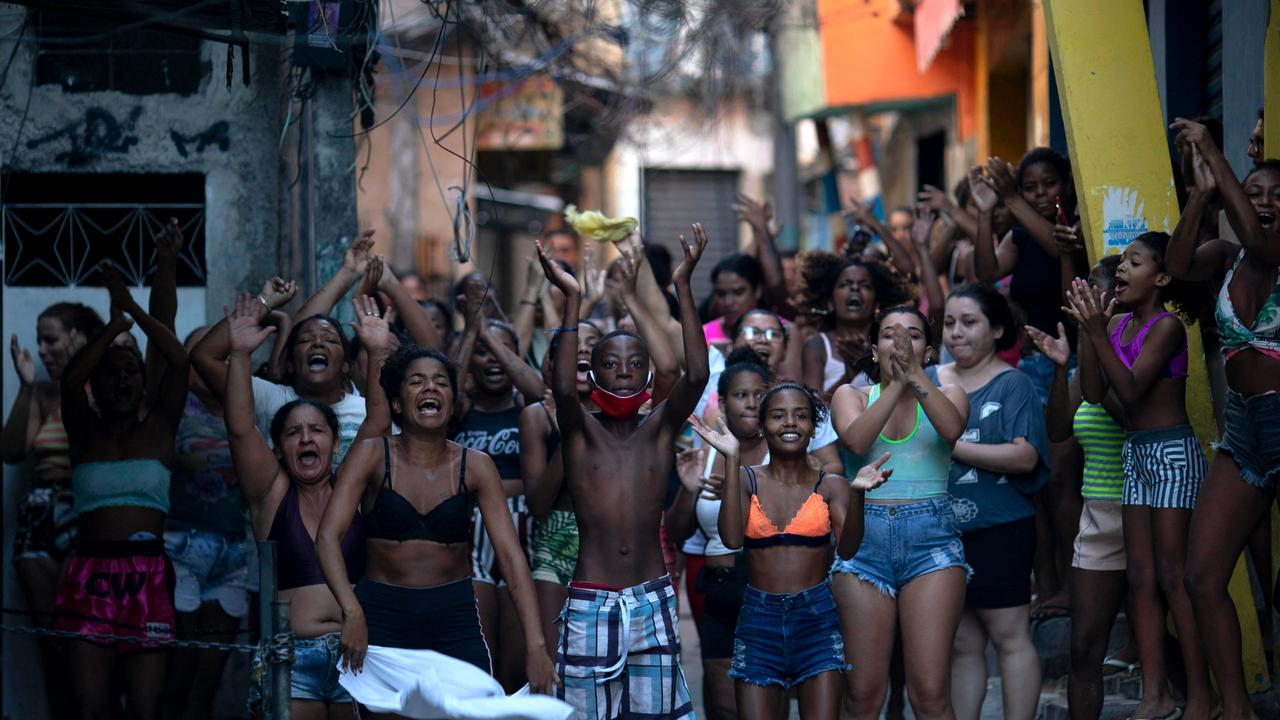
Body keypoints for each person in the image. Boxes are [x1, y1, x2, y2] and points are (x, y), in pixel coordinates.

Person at [314, 331, 556, 695]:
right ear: (397, 403)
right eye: (417, 382)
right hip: (381, 619)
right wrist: (351, 612)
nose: (430, 388)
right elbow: (327, 537)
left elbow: (510, 555)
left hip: (455, 620)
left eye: (441, 382)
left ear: (454, 402)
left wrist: (536, 644)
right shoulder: (371, 455)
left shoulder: (477, 466)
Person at [536, 223, 710, 720]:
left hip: (653, 597)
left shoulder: (658, 429)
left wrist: (684, 286)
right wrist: (571, 298)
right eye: (612, 364)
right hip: (591, 599)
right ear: (594, 374)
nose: (626, 372)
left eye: (636, 364)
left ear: (649, 374)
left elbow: (696, 374)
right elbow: (564, 390)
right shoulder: (579, 431)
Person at [1066, 229, 1211, 720]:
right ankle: (1155, 696)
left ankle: (1202, 697)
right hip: (1136, 455)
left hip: (1171, 453)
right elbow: (1091, 391)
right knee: (1142, 577)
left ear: (1163, 277)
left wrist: (1097, 332)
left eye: (1134, 261)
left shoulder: (1167, 327)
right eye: (1121, 262)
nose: (1121, 269)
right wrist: (1093, 332)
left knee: (1174, 577)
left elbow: (1128, 391)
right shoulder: (1117, 324)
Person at [691, 383, 890, 720]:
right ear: (762, 425)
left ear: (814, 427)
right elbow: (731, 538)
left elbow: (849, 548)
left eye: (801, 416)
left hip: (817, 619)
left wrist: (857, 495)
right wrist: (732, 456)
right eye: (778, 416)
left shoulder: (832, 485)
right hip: (758, 619)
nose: (790, 423)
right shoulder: (744, 478)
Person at [1170, 118, 1280, 720]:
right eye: (1253, 192)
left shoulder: (1272, 253)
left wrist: (1214, 148)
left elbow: (1268, 246)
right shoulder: (1230, 256)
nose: (1261, 203)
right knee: (1201, 575)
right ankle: (1234, 708)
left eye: (1274, 194)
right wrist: (1201, 194)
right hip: (1242, 433)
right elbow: (1180, 265)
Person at [223, 295, 378, 719]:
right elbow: (239, 430)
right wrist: (238, 353)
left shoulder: (355, 491)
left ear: (335, 442)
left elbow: (378, 422)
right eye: (293, 433)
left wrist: (377, 352)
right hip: (292, 658)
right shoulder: (270, 493)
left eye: (317, 431)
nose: (306, 440)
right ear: (278, 448)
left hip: (359, 654)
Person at [53, 267, 188, 720]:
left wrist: (131, 310)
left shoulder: (160, 429)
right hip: (87, 572)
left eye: (131, 371)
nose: (123, 380)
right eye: (111, 374)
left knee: (145, 711)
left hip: (147, 574)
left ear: (143, 382)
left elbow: (179, 360)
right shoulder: (83, 432)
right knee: (90, 710)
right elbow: (71, 381)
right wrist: (114, 329)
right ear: (98, 385)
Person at [830, 305, 970, 720]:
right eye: (890, 335)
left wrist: (915, 377)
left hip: (932, 544)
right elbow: (856, 441)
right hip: (863, 543)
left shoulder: (953, 391)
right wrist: (896, 380)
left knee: (929, 694)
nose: (902, 343)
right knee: (862, 696)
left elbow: (951, 430)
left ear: (929, 351)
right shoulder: (849, 395)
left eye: (912, 335)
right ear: (874, 350)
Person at [1027, 256, 1135, 720]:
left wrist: (1096, 340)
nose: (1079, 293)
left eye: (1092, 286)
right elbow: (1057, 432)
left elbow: (1135, 415)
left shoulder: (1139, 345)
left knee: (1161, 634)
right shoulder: (1084, 358)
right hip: (1099, 518)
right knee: (1083, 647)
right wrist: (1060, 367)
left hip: (1147, 509)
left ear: (1116, 296)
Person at [935, 284, 1049, 720]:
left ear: (997, 329)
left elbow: (1025, 456)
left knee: (1010, 637)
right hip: (943, 533)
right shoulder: (930, 381)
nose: (956, 333)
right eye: (948, 323)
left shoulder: (1013, 382)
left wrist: (955, 445)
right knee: (963, 644)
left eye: (969, 322)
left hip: (1002, 528)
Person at [3, 301, 103, 719]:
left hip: (88, 512)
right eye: (39, 341)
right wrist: (26, 386)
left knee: (84, 636)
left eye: (51, 339)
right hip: (41, 516)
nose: (41, 350)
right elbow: (12, 451)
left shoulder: (107, 389)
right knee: (51, 637)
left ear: (78, 337)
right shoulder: (43, 394)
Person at [668, 352, 771, 720]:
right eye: (741, 395)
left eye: (760, 394)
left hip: (765, 591)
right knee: (725, 706)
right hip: (717, 589)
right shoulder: (705, 454)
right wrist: (687, 489)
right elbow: (679, 535)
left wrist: (738, 489)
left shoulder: (784, 453)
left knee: (763, 706)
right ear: (723, 402)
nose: (752, 403)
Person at [162, 326, 256, 720]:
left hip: (234, 555)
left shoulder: (248, 408)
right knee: (176, 673)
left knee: (207, 680)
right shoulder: (171, 407)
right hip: (180, 549)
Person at [521, 321, 602, 653]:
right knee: (554, 663)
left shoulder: (621, 418)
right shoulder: (536, 417)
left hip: (604, 542)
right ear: (551, 366)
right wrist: (568, 436)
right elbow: (538, 505)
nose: (582, 349)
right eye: (574, 345)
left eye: (592, 344)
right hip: (554, 540)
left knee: (600, 655)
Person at [796, 252, 911, 400]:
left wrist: (869, 366)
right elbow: (812, 408)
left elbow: (905, 396)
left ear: (877, 304)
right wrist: (850, 374)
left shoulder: (891, 342)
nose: (855, 288)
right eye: (845, 284)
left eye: (865, 285)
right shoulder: (817, 345)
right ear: (830, 303)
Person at [704, 253, 766, 353]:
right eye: (721, 294)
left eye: (738, 293)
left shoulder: (780, 333)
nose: (728, 302)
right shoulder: (704, 335)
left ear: (758, 290)